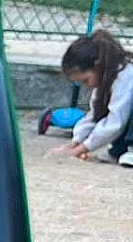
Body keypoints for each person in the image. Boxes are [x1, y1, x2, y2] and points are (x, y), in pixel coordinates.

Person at [57, 29, 133, 165]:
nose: (87, 86)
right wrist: (75, 142)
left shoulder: (125, 75)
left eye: (86, 80)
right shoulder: (105, 78)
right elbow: (95, 115)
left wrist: (81, 149)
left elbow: (116, 120)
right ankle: (119, 150)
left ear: (97, 66)